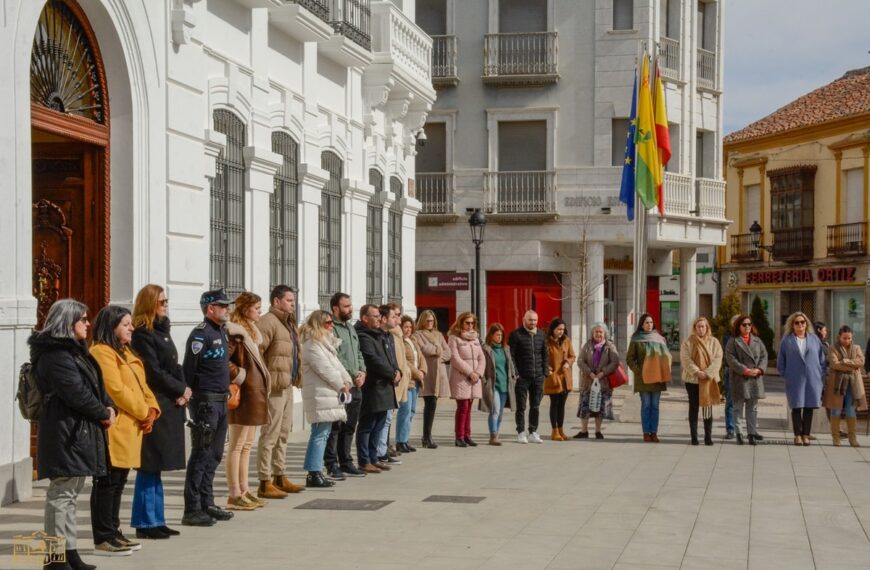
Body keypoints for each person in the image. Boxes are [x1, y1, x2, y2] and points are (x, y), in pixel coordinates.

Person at [30, 299, 114, 570]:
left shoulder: (75, 351)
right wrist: (102, 412)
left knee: (69, 494)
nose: (88, 324)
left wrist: (108, 406)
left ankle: (70, 552)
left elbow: (96, 386)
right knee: (61, 495)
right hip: (64, 432)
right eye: (83, 319)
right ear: (68, 323)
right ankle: (55, 559)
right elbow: (75, 392)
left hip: (76, 431)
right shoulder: (55, 355)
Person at [90, 305, 160, 555]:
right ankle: (103, 536)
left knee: (119, 482)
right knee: (107, 483)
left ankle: (114, 531)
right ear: (111, 327)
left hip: (132, 427)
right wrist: (143, 411)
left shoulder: (125, 351)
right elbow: (116, 390)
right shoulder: (101, 352)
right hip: (115, 428)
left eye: (130, 324)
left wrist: (152, 409)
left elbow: (142, 385)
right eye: (125, 324)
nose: (131, 328)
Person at [130, 285, 188, 540]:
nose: (165, 305)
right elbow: (153, 371)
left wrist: (184, 389)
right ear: (149, 304)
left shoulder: (162, 329)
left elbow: (174, 365)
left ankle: (157, 518)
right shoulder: (143, 334)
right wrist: (179, 388)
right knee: (149, 464)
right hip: (157, 402)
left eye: (166, 301)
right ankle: (145, 522)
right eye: (161, 301)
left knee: (158, 465)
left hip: (170, 401)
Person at [181, 289, 235, 526]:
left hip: (221, 401)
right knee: (201, 454)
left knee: (214, 454)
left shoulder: (221, 331)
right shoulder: (200, 335)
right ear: (210, 308)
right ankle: (192, 508)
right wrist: (190, 396)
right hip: (206, 402)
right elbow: (189, 370)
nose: (227, 309)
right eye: (222, 306)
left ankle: (207, 502)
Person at [256, 285, 305, 498]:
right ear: (276, 301)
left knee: (283, 433)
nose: (293, 304)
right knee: (270, 434)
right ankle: (264, 480)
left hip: (287, 385)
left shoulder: (288, 322)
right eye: (289, 300)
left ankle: (279, 475)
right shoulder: (268, 322)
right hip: (273, 387)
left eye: (293, 301)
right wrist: (266, 379)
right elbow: (258, 352)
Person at [225, 292, 271, 510]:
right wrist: (240, 376)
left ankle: (245, 489)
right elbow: (224, 361)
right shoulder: (236, 333)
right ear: (245, 309)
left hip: (254, 394)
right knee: (236, 445)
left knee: (246, 445)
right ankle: (234, 493)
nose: (260, 312)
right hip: (243, 394)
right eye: (256, 308)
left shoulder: (251, 332)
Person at [300, 310, 353, 487]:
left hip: (328, 394)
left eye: (331, 323)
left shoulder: (324, 344)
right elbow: (325, 369)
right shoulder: (312, 344)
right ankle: (313, 472)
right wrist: (341, 385)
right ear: (318, 324)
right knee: (319, 434)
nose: (331, 326)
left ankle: (316, 470)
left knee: (323, 434)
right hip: (320, 394)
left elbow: (338, 366)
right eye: (328, 323)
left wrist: (347, 380)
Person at [325, 292, 367, 478]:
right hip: (341, 385)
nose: (350, 309)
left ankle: (346, 461)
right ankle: (331, 463)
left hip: (356, 385)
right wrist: (351, 375)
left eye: (350, 305)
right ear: (335, 308)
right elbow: (335, 356)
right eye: (346, 306)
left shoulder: (350, 328)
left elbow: (358, 353)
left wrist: (362, 371)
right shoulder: (330, 328)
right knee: (336, 426)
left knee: (350, 425)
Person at [355, 304, 400, 473]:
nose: (378, 319)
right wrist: (391, 373)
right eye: (375, 316)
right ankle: (364, 460)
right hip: (373, 387)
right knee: (368, 424)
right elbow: (373, 359)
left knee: (379, 425)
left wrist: (398, 371)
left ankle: (374, 458)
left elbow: (390, 357)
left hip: (385, 385)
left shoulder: (381, 335)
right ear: (365, 318)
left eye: (379, 316)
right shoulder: (364, 335)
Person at [778, 311, 826, 446]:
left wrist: (819, 373)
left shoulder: (814, 339)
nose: (800, 325)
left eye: (802, 322)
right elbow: (781, 361)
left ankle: (806, 434)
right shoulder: (787, 340)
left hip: (812, 378)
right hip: (795, 378)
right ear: (792, 325)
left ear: (806, 324)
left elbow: (822, 359)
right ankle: (797, 435)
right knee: (797, 406)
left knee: (809, 407)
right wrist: (786, 374)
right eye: (797, 322)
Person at [724, 315, 768, 446]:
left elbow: (764, 356)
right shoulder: (733, 341)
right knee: (737, 408)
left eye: (749, 324)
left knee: (752, 408)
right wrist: (745, 370)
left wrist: (759, 369)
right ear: (738, 326)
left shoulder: (757, 341)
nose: (747, 327)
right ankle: (739, 433)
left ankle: (751, 434)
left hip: (755, 378)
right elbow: (730, 359)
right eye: (744, 325)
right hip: (739, 378)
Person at [626, 313, 671, 442]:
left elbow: (665, 357)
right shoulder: (636, 339)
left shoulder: (659, 339)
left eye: (651, 322)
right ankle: (646, 432)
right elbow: (630, 359)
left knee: (655, 406)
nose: (649, 325)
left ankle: (654, 432)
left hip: (657, 377)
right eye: (646, 322)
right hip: (643, 379)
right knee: (646, 405)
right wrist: (639, 371)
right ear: (641, 324)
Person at [679, 317, 723, 446]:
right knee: (693, 407)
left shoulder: (714, 342)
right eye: (698, 326)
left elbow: (718, 359)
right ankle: (694, 437)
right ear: (695, 328)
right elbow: (685, 359)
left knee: (707, 408)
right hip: (692, 380)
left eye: (703, 326)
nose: (701, 329)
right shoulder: (688, 342)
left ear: (707, 328)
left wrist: (707, 373)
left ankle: (708, 437)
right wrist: (697, 372)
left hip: (708, 380)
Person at [508, 310, 549, 444]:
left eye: (535, 320)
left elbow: (545, 354)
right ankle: (521, 432)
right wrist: (516, 373)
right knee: (521, 406)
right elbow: (511, 356)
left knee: (535, 406)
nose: (533, 322)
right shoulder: (516, 335)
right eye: (530, 320)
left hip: (538, 377)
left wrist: (545, 372)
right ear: (524, 320)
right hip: (522, 377)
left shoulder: (541, 335)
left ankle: (533, 432)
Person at [413, 310, 452, 449]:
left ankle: (428, 436)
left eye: (432, 320)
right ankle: (426, 436)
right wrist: (438, 350)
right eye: (427, 320)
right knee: (429, 402)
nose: (430, 323)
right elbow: (424, 349)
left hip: (439, 372)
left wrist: (438, 355)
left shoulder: (439, 335)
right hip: (428, 372)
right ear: (423, 321)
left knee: (433, 404)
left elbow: (448, 352)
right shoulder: (417, 335)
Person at [448, 312, 487, 447]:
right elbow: (455, 358)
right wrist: (470, 372)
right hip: (461, 378)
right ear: (461, 323)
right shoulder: (454, 338)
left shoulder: (475, 338)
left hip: (474, 379)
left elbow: (482, 357)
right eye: (467, 323)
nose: (470, 325)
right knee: (463, 407)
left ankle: (467, 435)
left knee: (469, 407)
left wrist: (478, 373)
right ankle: (459, 436)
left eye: (472, 323)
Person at [824, 325, 867, 447]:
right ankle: (836, 438)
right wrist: (852, 367)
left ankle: (852, 438)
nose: (847, 340)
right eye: (844, 338)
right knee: (835, 409)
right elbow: (834, 364)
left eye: (849, 338)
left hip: (853, 384)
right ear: (839, 337)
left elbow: (861, 362)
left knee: (850, 410)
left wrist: (846, 361)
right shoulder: (833, 348)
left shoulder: (857, 348)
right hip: (837, 384)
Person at [378, 303, 409, 465]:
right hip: (389, 381)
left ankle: (384, 450)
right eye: (395, 315)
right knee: (384, 419)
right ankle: (381, 451)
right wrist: (394, 373)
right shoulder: (390, 334)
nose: (398, 318)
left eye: (399, 314)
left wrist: (401, 372)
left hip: (398, 380)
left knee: (388, 418)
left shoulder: (396, 334)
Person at [577, 322, 620, 439]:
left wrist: (603, 373)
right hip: (588, 381)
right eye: (596, 332)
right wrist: (590, 373)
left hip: (604, 382)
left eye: (600, 332)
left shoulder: (609, 346)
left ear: (605, 333)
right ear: (592, 333)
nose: (598, 334)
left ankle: (598, 431)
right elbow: (580, 361)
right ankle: (584, 431)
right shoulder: (587, 345)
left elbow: (615, 362)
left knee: (600, 408)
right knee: (585, 407)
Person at [480, 323, 519, 446]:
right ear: (491, 335)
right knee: (495, 410)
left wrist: (514, 377)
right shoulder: (486, 349)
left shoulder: (505, 348)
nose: (500, 337)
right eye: (497, 335)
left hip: (505, 385)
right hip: (493, 385)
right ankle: (493, 436)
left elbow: (510, 365)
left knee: (500, 412)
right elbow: (482, 366)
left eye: (501, 335)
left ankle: (496, 432)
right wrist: (484, 381)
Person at [396, 315, 427, 453]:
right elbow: (404, 360)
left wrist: (423, 371)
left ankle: (406, 439)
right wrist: (416, 372)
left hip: (416, 381)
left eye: (410, 327)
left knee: (412, 411)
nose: (408, 329)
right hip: (407, 380)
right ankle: (400, 441)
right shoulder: (400, 341)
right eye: (405, 327)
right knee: (405, 411)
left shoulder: (413, 341)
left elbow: (421, 357)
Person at [544, 318, 575, 441]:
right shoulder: (547, 342)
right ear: (553, 329)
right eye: (558, 329)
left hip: (565, 377)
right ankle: (554, 431)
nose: (561, 331)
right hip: (554, 377)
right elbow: (543, 357)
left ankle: (561, 430)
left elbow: (572, 356)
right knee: (555, 403)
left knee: (562, 405)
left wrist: (568, 362)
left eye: (562, 329)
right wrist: (547, 368)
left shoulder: (566, 340)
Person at [720, 315, 740, 439]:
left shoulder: (749, 337)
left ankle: (744, 429)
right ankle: (730, 429)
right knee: (730, 401)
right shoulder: (728, 336)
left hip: (746, 373)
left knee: (747, 403)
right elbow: (729, 355)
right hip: (731, 371)